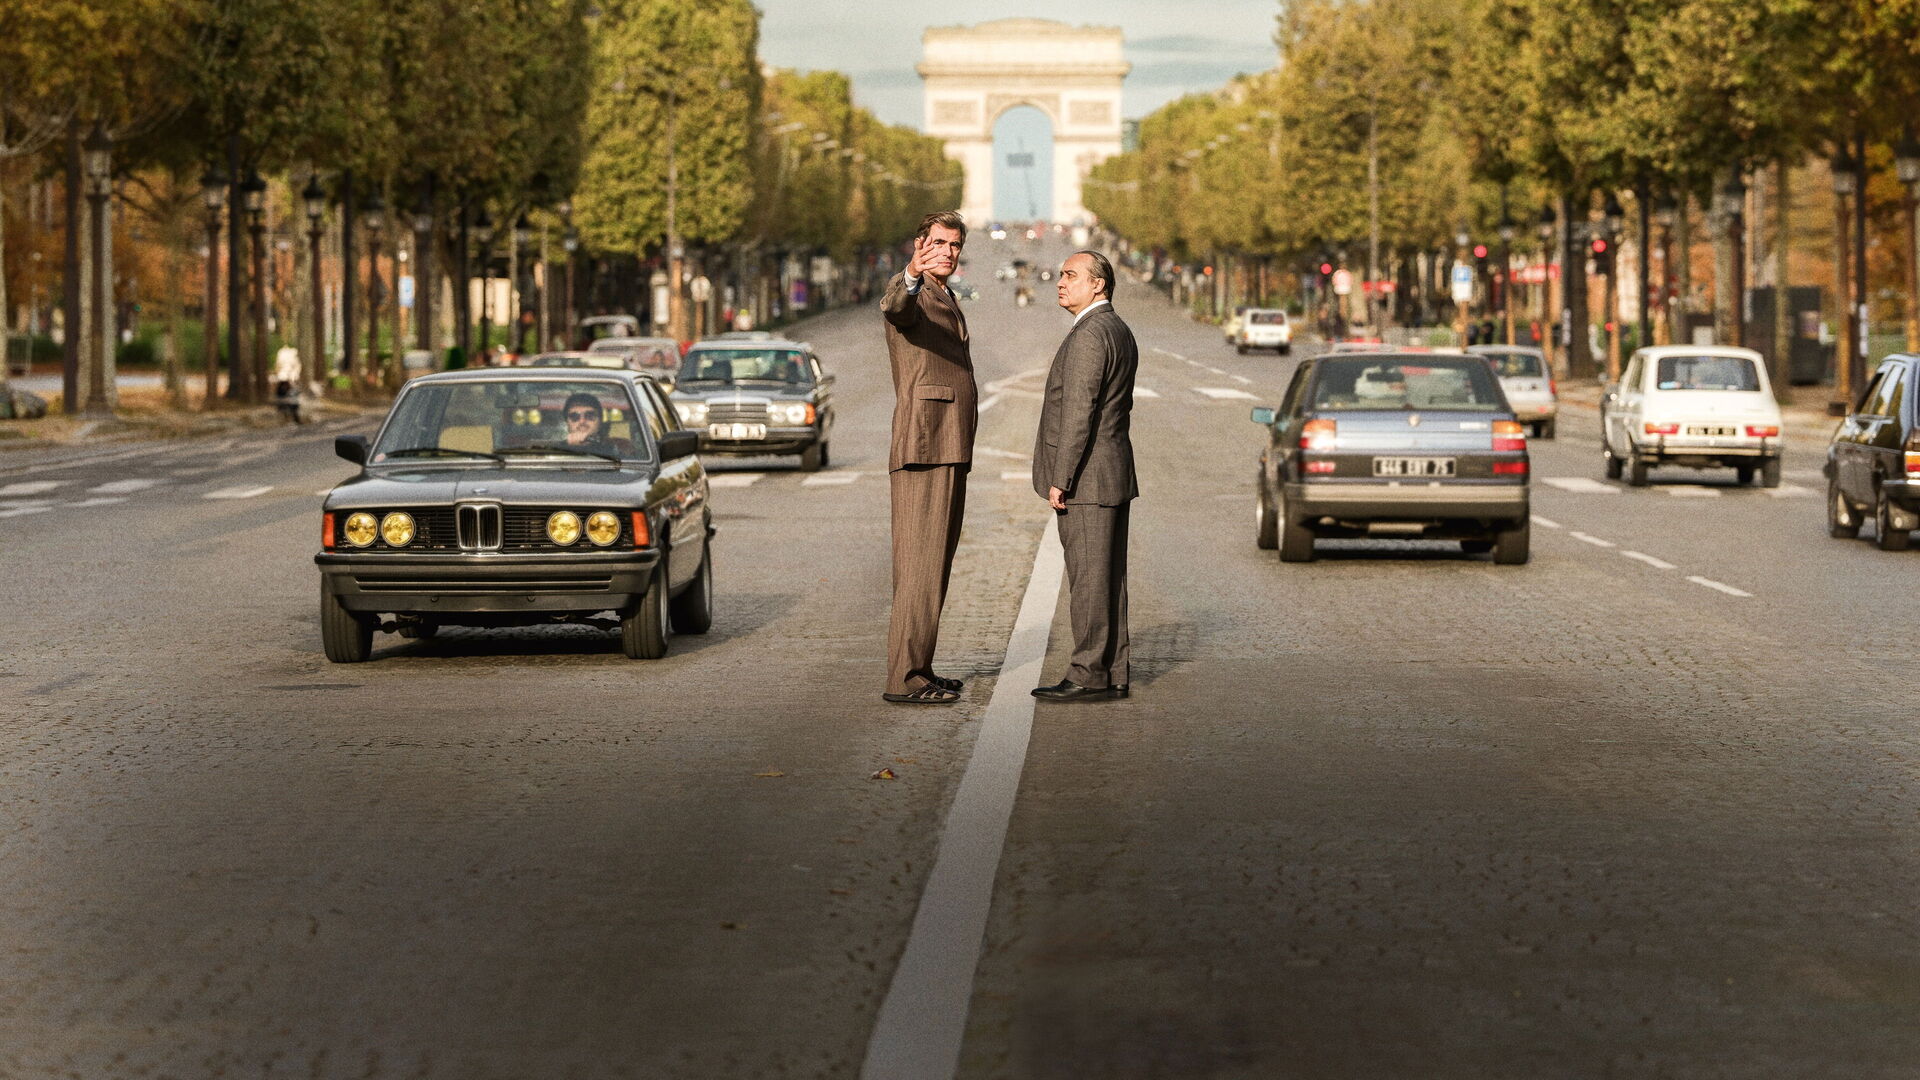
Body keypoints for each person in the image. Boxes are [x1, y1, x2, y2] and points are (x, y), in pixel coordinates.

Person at [878, 210, 978, 704]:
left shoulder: (945, 293)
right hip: (925, 443)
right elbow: (896, 307)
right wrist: (912, 274)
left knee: (931, 565)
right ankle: (905, 679)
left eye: (955, 244)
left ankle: (921, 665)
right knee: (919, 566)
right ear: (919, 245)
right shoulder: (912, 289)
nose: (948, 251)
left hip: (945, 443)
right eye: (939, 242)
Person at [1031, 250, 1137, 702]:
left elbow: (1079, 412)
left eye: (1071, 275)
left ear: (1098, 284)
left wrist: (1062, 476)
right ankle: (1111, 671)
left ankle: (1087, 673)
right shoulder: (1117, 328)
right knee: (1108, 580)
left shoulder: (1090, 335)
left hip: (1089, 478)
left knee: (1089, 581)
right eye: (1060, 275)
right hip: (1110, 472)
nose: (1060, 282)